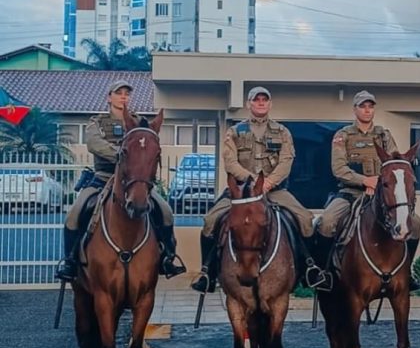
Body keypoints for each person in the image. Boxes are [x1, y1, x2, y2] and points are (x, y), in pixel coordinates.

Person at [191, 87, 321, 293]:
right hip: (241, 192)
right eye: (256, 100)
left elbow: (286, 161)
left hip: (275, 191)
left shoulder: (283, 132)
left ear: (270, 104)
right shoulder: (234, 132)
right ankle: (208, 272)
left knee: (305, 219)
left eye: (264, 100)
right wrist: (252, 181)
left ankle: (309, 269)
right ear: (248, 104)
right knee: (210, 221)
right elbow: (230, 162)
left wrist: (268, 183)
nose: (260, 103)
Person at [55, 79, 186, 282]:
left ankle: (168, 258)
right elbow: (94, 143)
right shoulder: (97, 122)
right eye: (119, 93)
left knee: (166, 212)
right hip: (104, 177)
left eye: (127, 93)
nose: (123, 96)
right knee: (75, 213)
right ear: (109, 97)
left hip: (133, 181)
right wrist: (121, 154)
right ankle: (70, 261)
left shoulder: (139, 121)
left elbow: (148, 143)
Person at [314, 90, 420, 285]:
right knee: (327, 221)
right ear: (355, 109)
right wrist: (365, 181)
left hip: (381, 194)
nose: (367, 110)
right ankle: (323, 272)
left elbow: (394, 165)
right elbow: (338, 169)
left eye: (370, 106)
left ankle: (407, 271)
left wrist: (379, 184)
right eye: (362, 106)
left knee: (415, 223)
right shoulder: (343, 135)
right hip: (350, 193)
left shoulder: (383, 135)